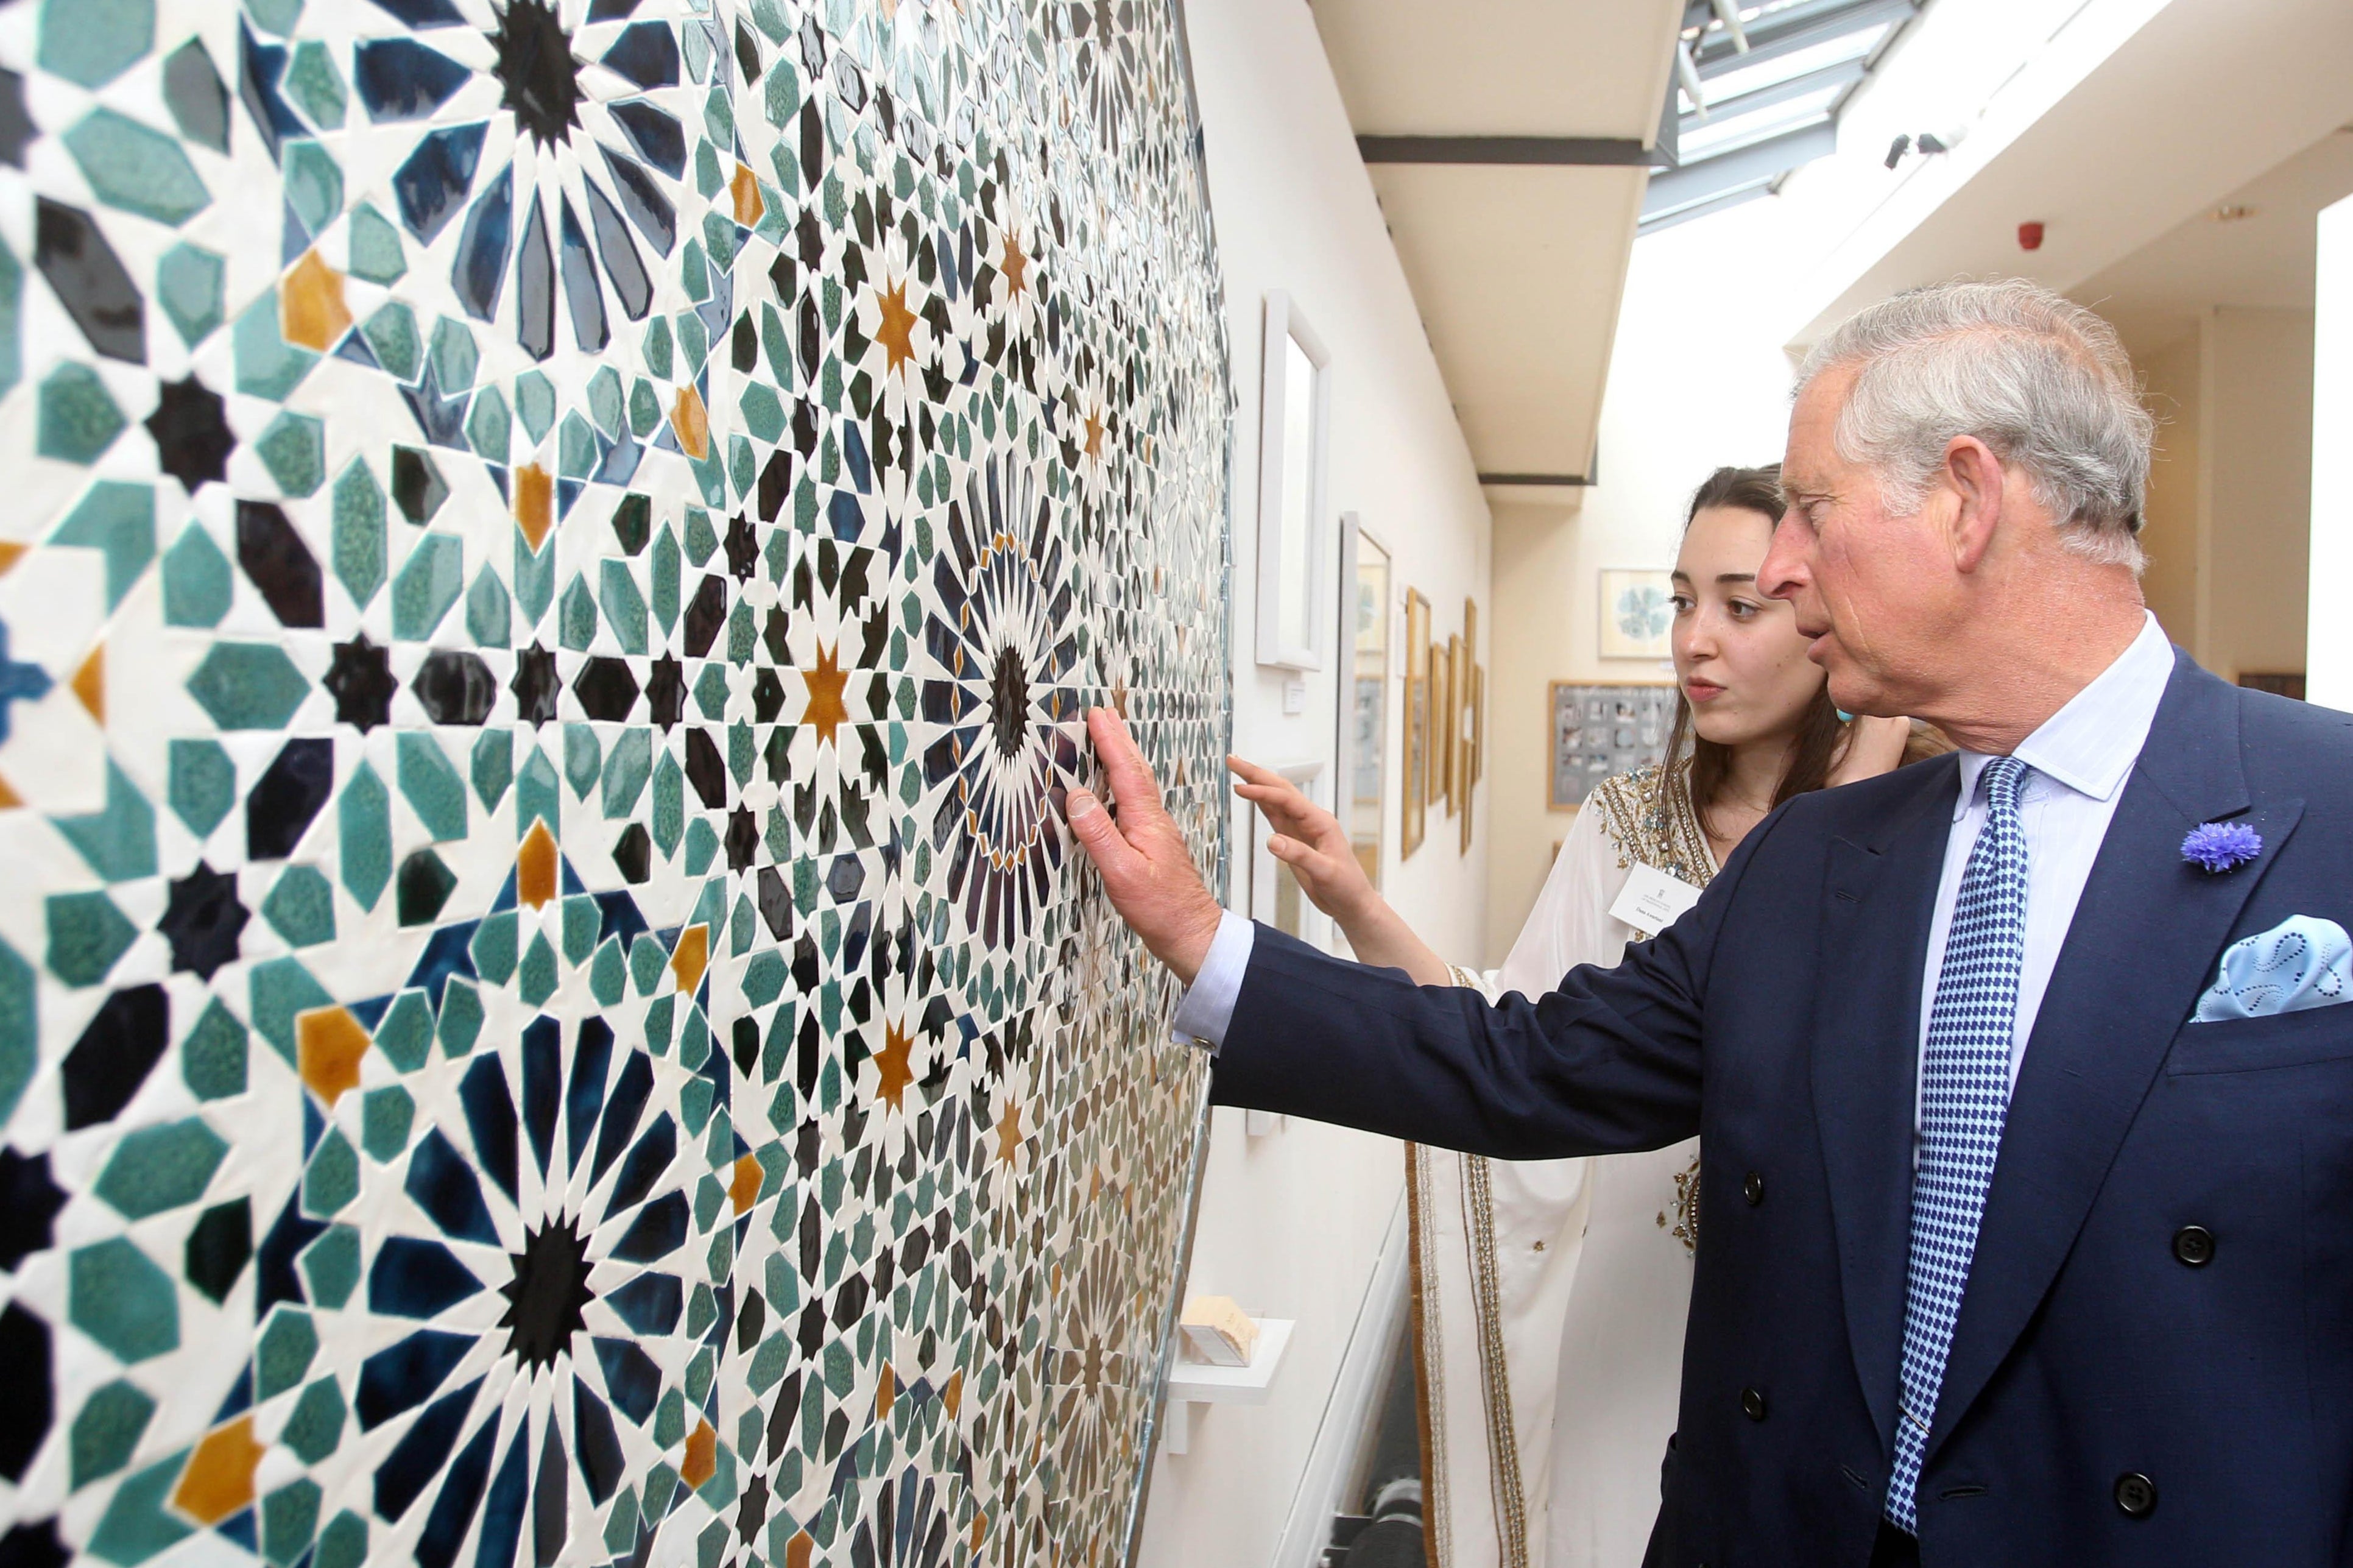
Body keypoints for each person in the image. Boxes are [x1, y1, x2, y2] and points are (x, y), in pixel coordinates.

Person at [1065, 278, 2353, 1567]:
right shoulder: (1819, 861)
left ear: (1964, 501)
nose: (1784, 573)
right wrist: (1203, 937)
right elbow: (1532, 1062)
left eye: (1812, 511)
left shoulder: (2330, 819)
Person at [1230, 465, 1942, 1568]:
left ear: (1819, 614)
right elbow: (1514, 1041)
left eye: (1740, 606)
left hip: (1816, 1321)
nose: (1694, 641)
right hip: (1631, 1301)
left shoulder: (1919, 838)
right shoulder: (1624, 822)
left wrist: (1877, 748)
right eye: (1680, 600)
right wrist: (1359, 907)